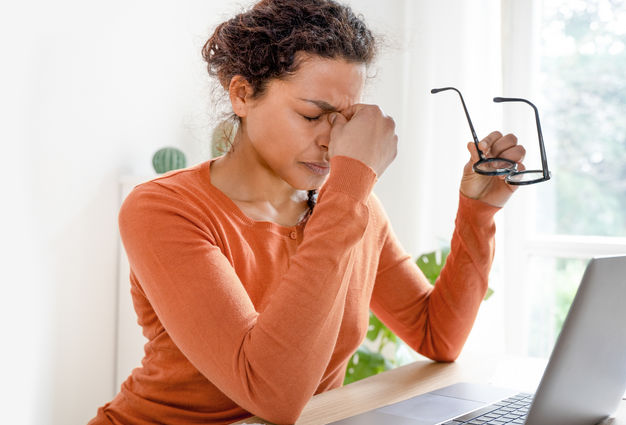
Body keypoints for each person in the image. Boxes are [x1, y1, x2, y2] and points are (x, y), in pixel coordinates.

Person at [89, 0, 525, 424]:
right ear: (242, 94)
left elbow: (438, 336)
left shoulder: (353, 210)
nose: (331, 141)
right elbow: (272, 393)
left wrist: (479, 211)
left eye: (344, 120)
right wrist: (350, 190)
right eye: (312, 115)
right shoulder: (164, 209)